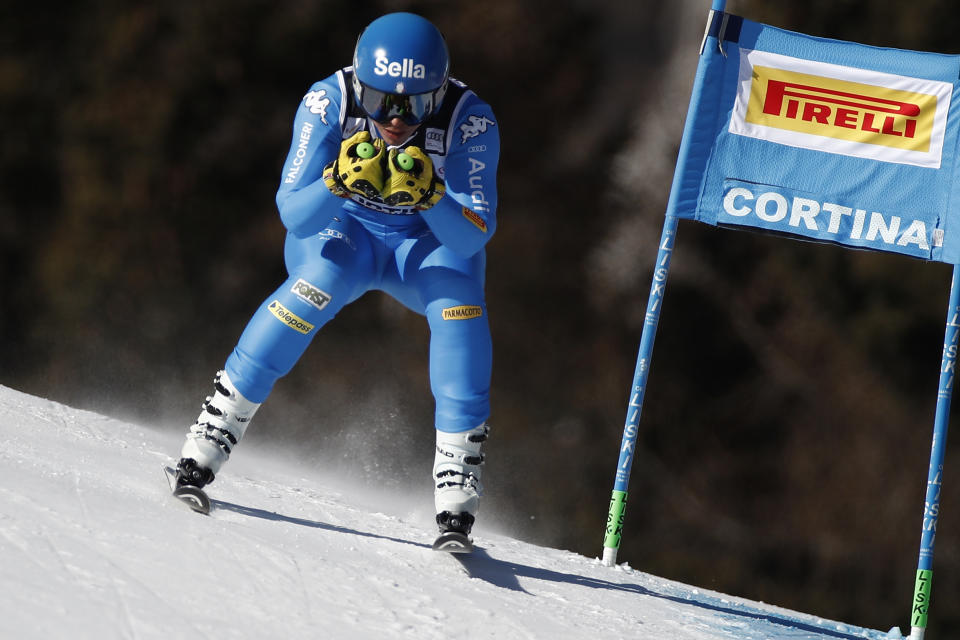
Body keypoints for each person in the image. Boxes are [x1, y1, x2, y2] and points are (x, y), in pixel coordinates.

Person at [173, 12, 499, 539]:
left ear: (439, 93)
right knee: (313, 287)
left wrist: (432, 196)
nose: (395, 119)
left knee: (460, 307)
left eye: (414, 105)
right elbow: (295, 213)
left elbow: (471, 235)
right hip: (344, 234)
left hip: (425, 246)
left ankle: (458, 478)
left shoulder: (470, 120)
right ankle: (211, 435)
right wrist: (337, 181)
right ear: (359, 82)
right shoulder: (328, 101)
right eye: (380, 101)